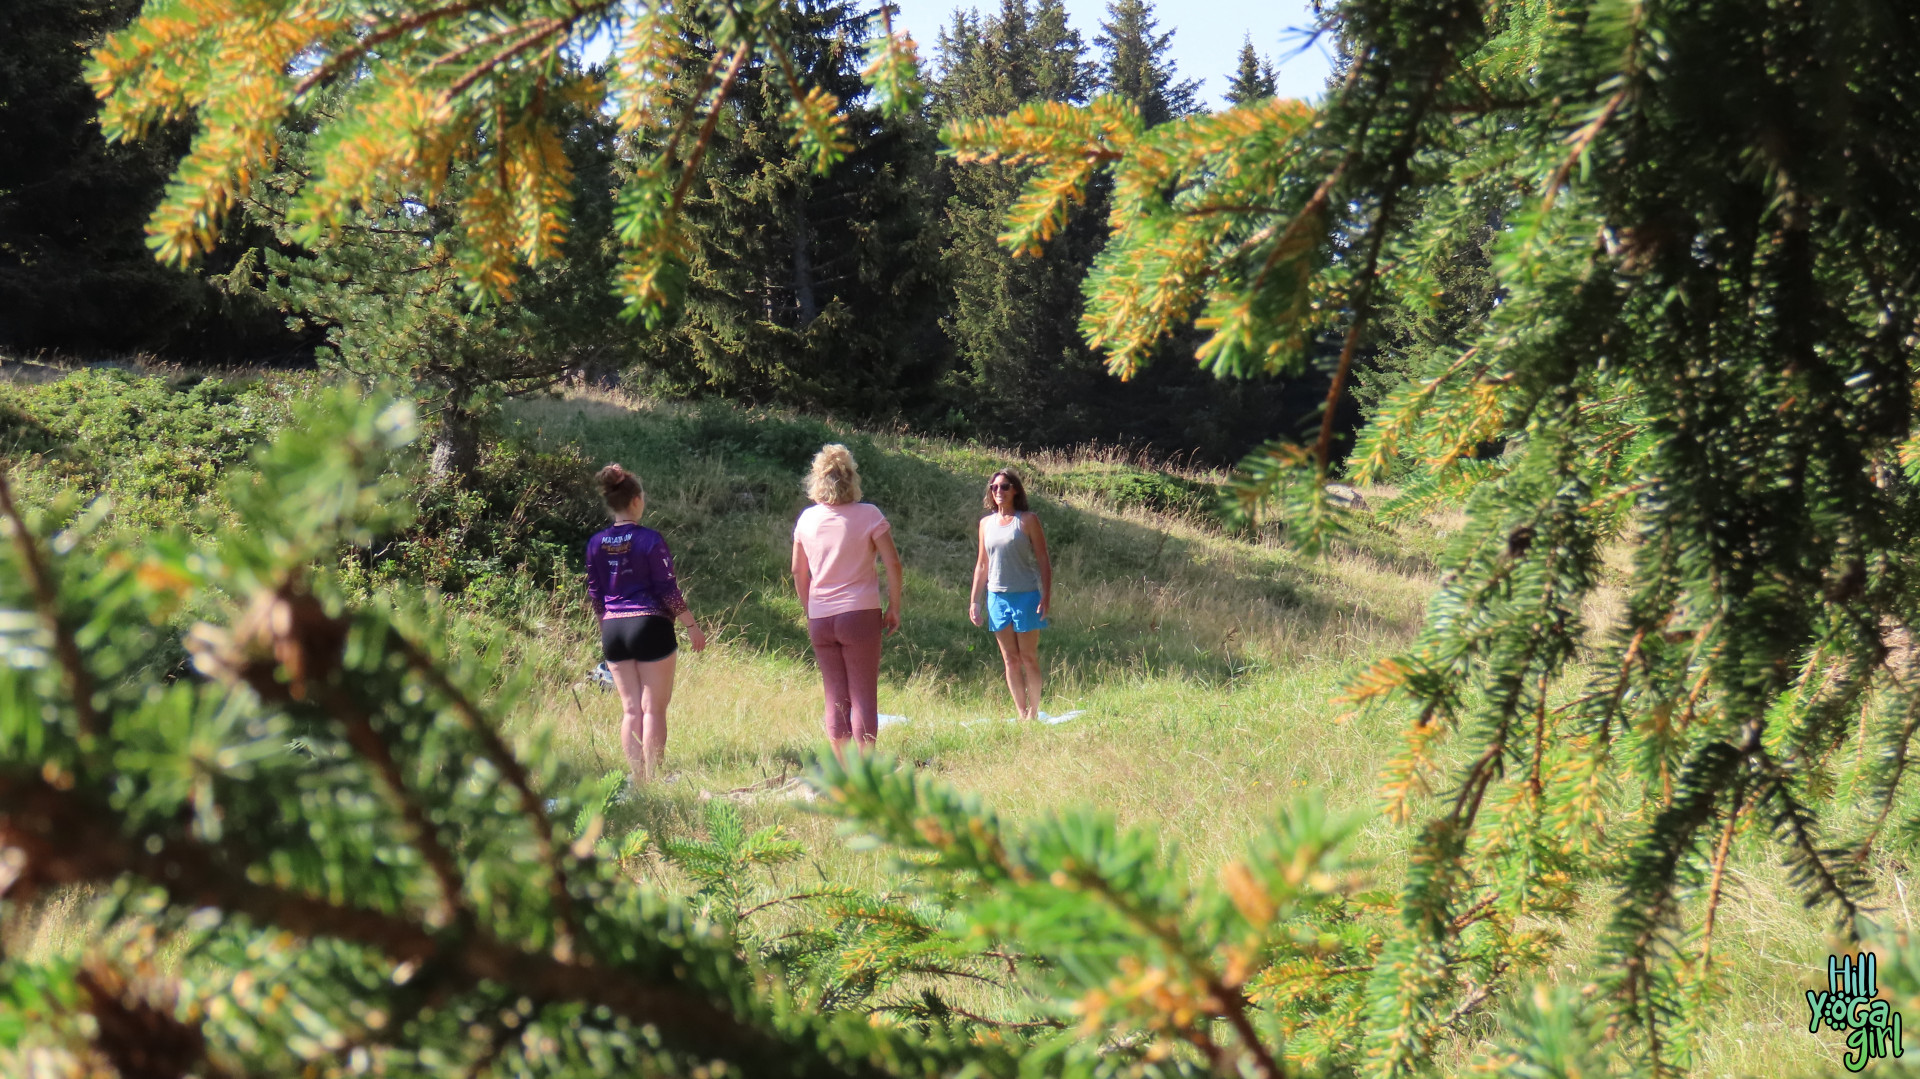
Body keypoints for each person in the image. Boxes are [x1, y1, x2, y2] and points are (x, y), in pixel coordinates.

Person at [586, 463, 707, 784]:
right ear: (636, 500)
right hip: (650, 626)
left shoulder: (596, 543)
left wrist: (607, 627)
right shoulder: (651, 540)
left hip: (614, 629)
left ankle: (637, 778)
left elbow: (595, 592)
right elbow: (667, 589)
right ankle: (654, 778)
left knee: (630, 710)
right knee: (653, 709)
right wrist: (691, 626)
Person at [791, 444, 903, 759]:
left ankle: (842, 771)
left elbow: (798, 571)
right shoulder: (869, 514)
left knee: (835, 696)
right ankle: (865, 771)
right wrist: (894, 606)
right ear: (852, 478)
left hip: (822, 616)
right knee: (863, 695)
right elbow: (893, 564)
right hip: (860, 613)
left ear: (817, 480)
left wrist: (809, 608)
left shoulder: (807, 519)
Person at [969, 469, 1052, 721]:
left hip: (1026, 596)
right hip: (996, 598)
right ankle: (1021, 713)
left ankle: (1034, 713)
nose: (999, 492)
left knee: (1028, 657)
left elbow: (1043, 559)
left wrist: (1046, 595)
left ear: (1015, 490)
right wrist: (975, 600)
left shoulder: (1027, 520)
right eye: (994, 488)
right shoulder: (985, 524)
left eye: (1004, 487)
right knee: (1010, 660)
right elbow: (982, 564)